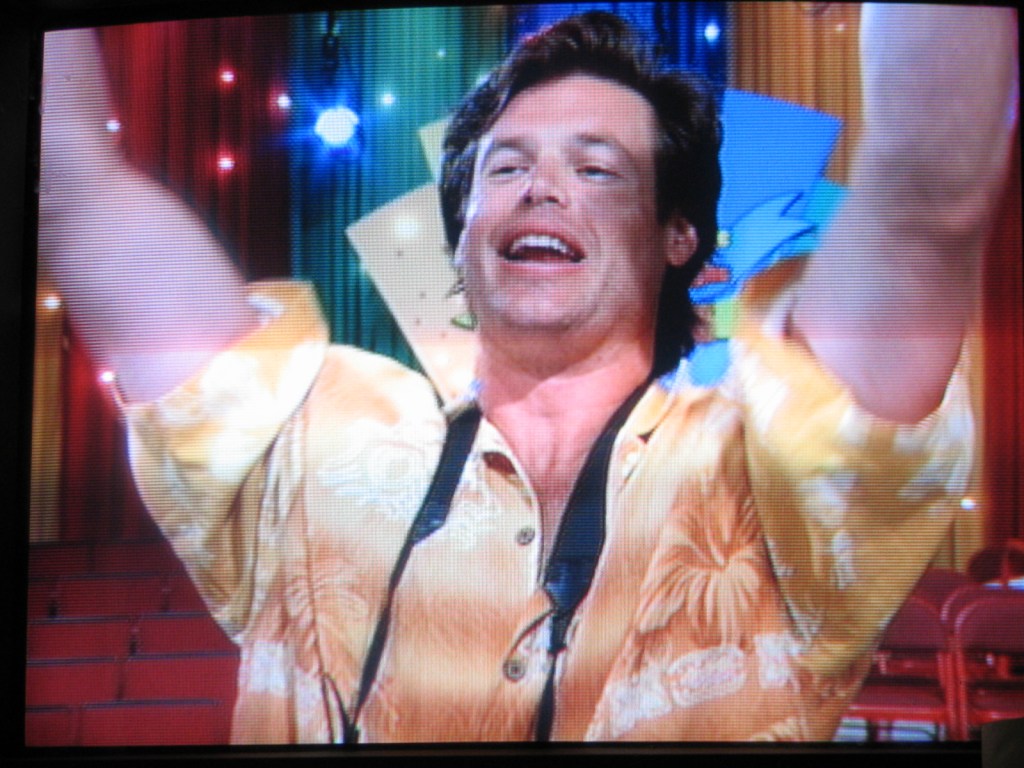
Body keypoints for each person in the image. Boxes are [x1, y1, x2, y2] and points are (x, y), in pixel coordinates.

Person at [38, 5, 1017, 743]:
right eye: (505, 169)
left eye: (597, 170)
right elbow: (69, 183)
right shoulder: (305, 421)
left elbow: (926, 186)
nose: (542, 184)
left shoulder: (773, 462)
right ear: (460, 239)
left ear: (681, 238)